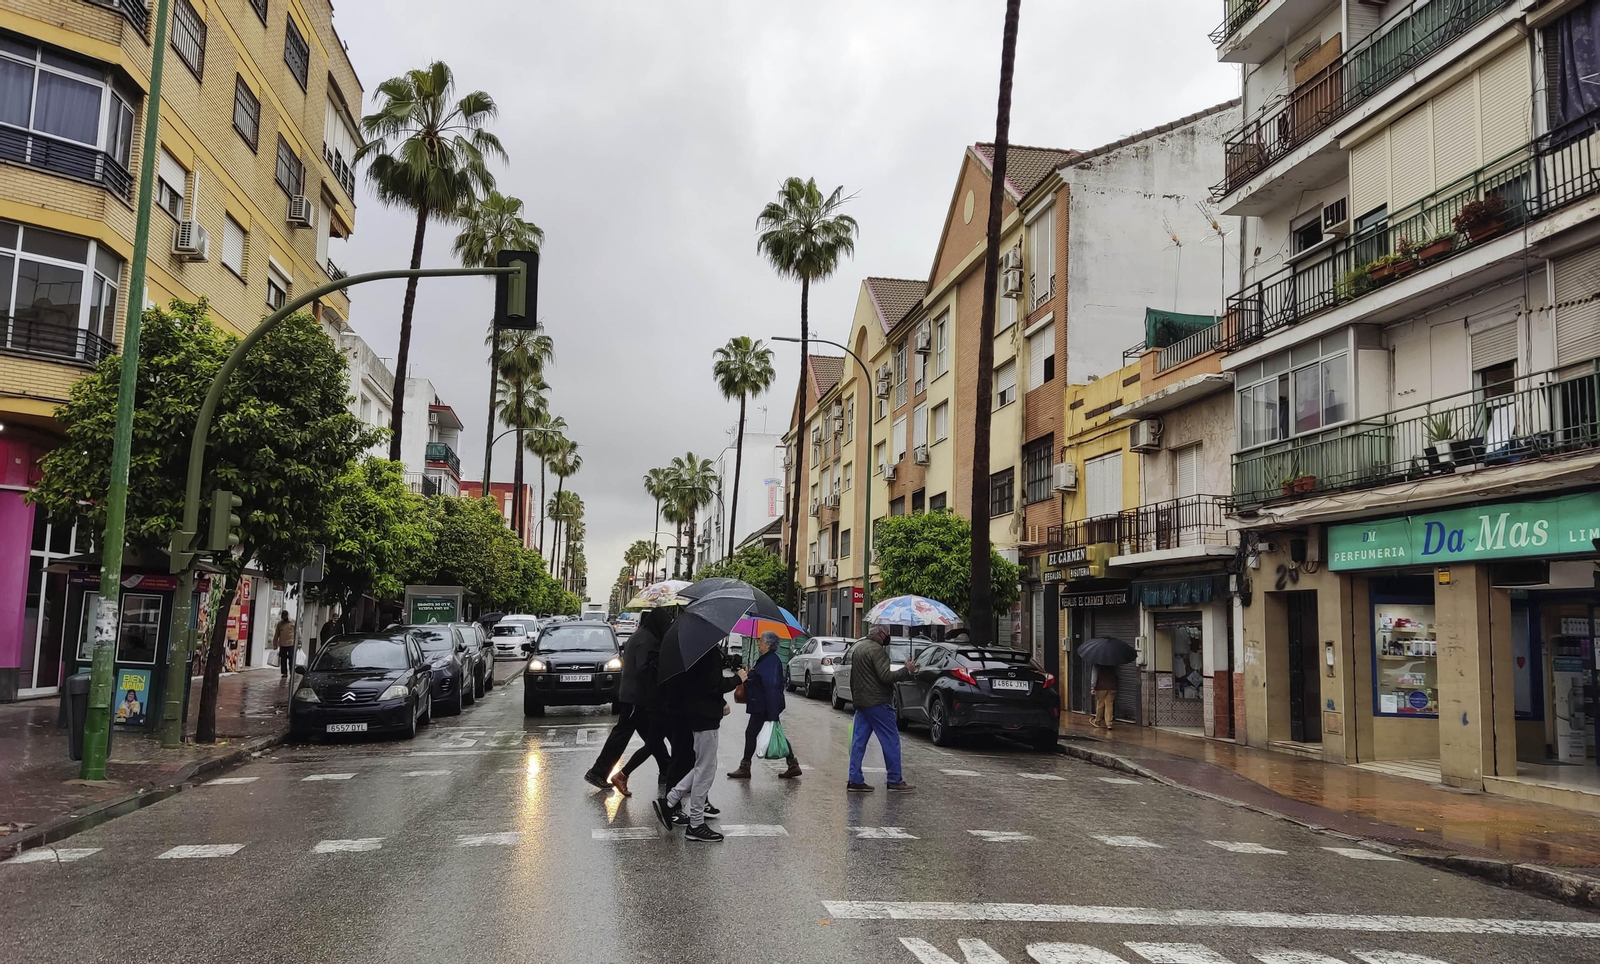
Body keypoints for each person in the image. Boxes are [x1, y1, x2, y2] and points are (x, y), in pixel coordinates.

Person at [653, 642, 745, 843]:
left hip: (696, 715)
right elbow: (712, 685)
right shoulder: (707, 652)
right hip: (705, 718)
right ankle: (695, 824)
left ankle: (669, 801)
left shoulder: (694, 649)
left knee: (702, 767)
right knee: (705, 770)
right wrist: (738, 679)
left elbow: (702, 684)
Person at [584, 608, 673, 794]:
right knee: (621, 735)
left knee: (653, 738)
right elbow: (643, 668)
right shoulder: (648, 639)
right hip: (636, 698)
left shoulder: (641, 634)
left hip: (635, 697)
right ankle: (598, 772)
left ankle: (667, 770)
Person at [846, 625, 918, 793]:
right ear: (880, 634)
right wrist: (906, 670)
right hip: (878, 702)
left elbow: (853, 677)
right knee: (890, 740)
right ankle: (895, 779)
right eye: (887, 634)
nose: (888, 637)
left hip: (862, 702)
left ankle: (854, 779)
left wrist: (855, 698)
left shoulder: (859, 648)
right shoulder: (878, 651)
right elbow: (886, 676)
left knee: (858, 742)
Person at [727, 631, 801, 780]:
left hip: (764, 706)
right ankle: (792, 764)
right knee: (774, 733)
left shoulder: (771, 661)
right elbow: (760, 680)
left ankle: (745, 767)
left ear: (767, 644)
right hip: (763, 705)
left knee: (752, 733)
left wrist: (772, 713)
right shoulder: (767, 660)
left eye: (760, 641)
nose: (758, 643)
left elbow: (771, 687)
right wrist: (749, 675)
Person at [1092, 662, 1118, 729]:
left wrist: (1093, 687)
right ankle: (1109, 723)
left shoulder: (1097, 662)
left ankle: (1097, 721)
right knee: (1109, 705)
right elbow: (1116, 675)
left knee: (1100, 704)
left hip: (1101, 687)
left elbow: (1094, 675)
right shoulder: (1114, 662)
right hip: (1112, 686)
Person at [273, 610, 296, 680]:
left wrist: (299, 643)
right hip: (282, 644)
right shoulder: (280, 624)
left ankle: (292, 671)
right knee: (283, 659)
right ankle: (284, 672)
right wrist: (275, 643)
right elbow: (277, 634)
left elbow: (298, 632)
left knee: (291, 658)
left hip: (291, 643)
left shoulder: (293, 622)